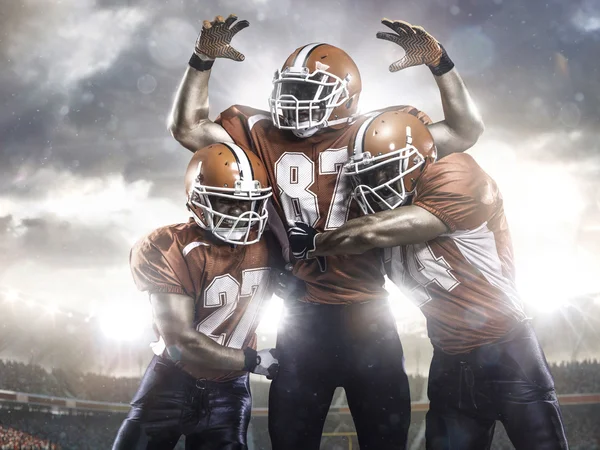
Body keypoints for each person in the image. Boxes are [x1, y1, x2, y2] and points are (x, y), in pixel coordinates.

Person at [168, 14, 484, 450]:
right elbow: (187, 128)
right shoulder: (260, 131)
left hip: (369, 311)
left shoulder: (377, 133)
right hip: (303, 316)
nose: (291, 101)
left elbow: (465, 130)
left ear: (345, 96)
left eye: (305, 90)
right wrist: (201, 59)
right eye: (287, 89)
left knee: (385, 441)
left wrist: (440, 64)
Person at [288, 110, 569, 450]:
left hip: (509, 352)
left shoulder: (460, 179)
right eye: (371, 173)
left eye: (389, 169)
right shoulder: (372, 225)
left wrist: (316, 242)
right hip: (448, 360)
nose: (378, 182)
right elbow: (352, 256)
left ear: (422, 161)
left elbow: (372, 231)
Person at [112, 142, 281, 450]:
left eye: (247, 202)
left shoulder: (272, 245)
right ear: (198, 199)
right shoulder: (168, 246)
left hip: (230, 391)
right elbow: (180, 343)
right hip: (170, 382)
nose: (240, 213)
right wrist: (251, 359)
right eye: (227, 202)